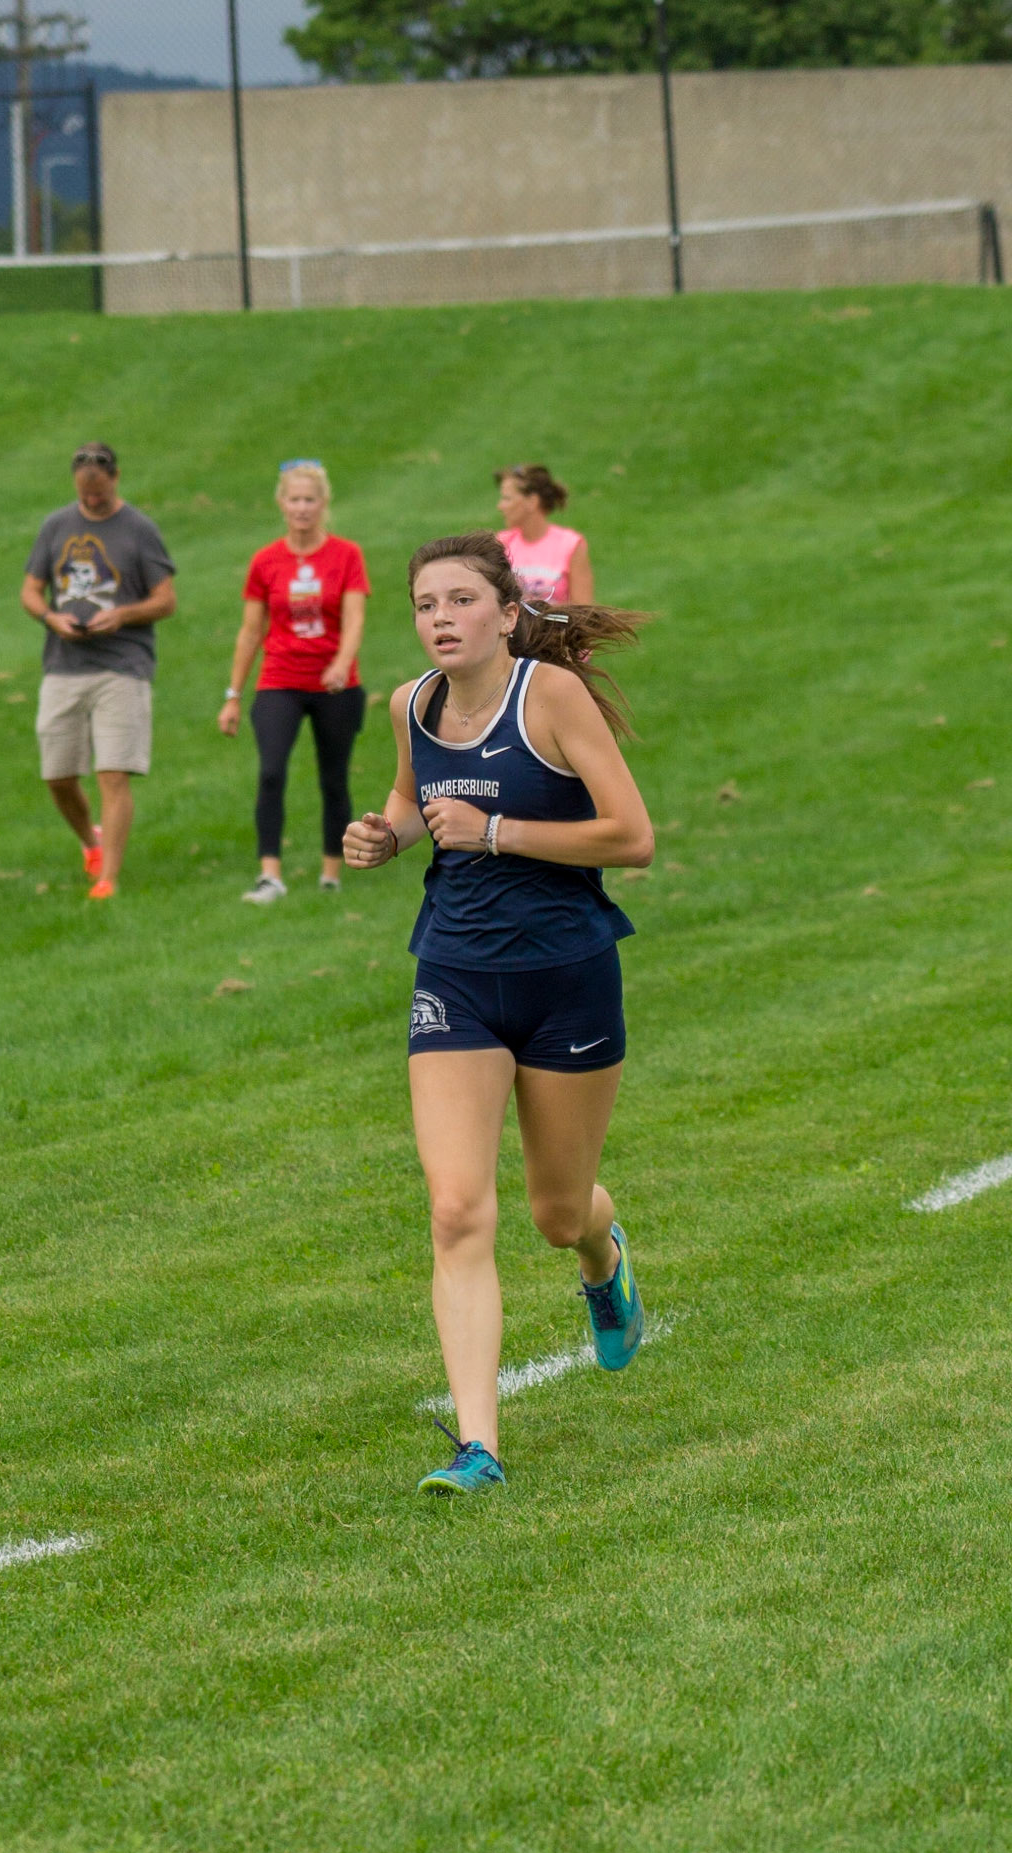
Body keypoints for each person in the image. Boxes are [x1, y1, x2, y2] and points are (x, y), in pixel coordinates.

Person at [343, 532, 654, 1496]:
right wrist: (385, 834)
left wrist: (497, 832)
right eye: (424, 605)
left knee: (558, 1212)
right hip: (457, 976)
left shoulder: (549, 698)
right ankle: (478, 1446)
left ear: (508, 614)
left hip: (567, 975)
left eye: (461, 600)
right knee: (455, 1209)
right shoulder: (411, 705)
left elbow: (633, 836)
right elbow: (412, 798)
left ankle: (603, 1256)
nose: (440, 618)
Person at [21, 442, 177, 899]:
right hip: (63, 665)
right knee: (57, 775)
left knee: (112, 772)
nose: (92, 500)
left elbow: (166, 599)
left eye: (99, 493)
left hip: (122, 666)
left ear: (115, 478)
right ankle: (91, 843)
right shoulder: (56, 526)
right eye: (85, 494)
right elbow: (30, 591)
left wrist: (122, 615)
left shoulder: (139, 530)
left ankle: (108, 878)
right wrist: (51, 618)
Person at [219, 461, 369, 904]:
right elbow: (250, 631)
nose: (302, 508)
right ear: (281, 504)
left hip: (336, 685)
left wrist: (341, 663)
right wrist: (233, 695)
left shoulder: (346, 555)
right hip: (280, 679)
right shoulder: (266, 560)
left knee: (333, 778)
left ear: (323, 504)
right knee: (270, 772)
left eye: (310, 500)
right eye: (295, 499)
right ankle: (270, 875)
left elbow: (355, 618)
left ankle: (331, 874)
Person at [495, 463, 594, 605]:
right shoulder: (502, 543)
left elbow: (584, 609)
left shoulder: (570, 545)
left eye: (507, 498)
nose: (500, 506)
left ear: (532, 502)